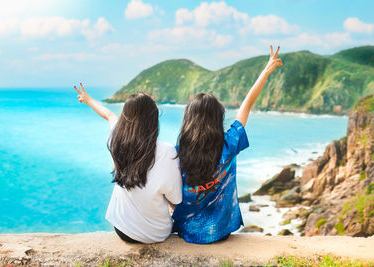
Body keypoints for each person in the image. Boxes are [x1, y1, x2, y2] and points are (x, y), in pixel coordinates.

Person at [172, 46, 283, 244]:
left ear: (188, 121)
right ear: (218, 118)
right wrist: (265, 72)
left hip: (187, 232)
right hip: (221, 232)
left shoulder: (178, 154)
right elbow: (246, 106)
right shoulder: (229, 144)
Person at [74, 84, 182, 244]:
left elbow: (108, 115)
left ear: (125, 116)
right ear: (153, 119)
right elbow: (176, 199)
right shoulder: (167, 152)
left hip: (122, 229)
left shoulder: (116, 139)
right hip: (155, 234)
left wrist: (88, 100)